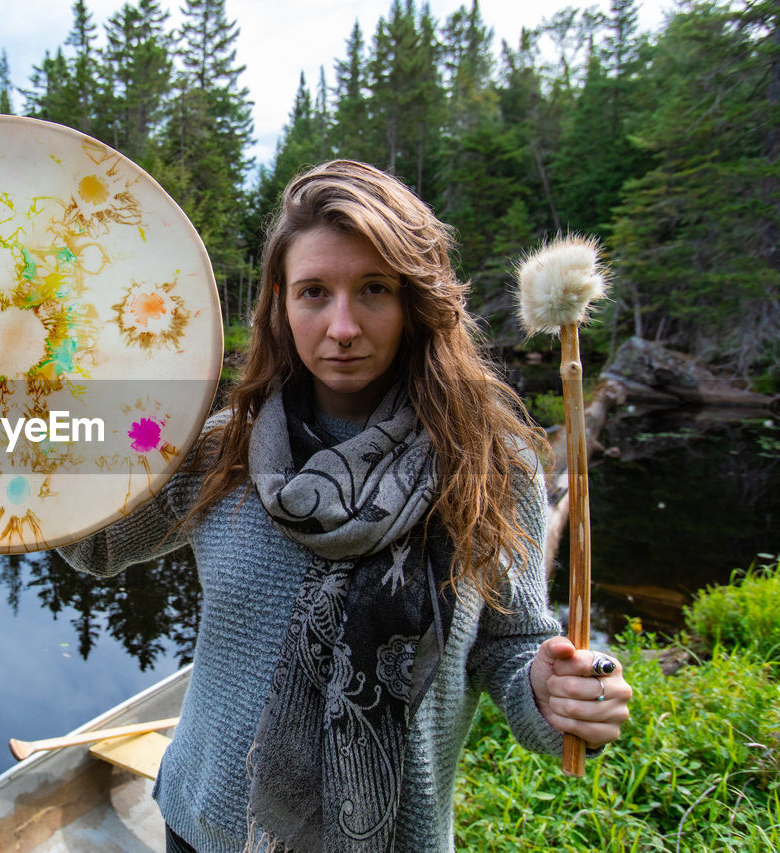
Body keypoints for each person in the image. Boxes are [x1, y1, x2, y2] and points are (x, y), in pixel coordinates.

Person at [59, 160, 632, 853]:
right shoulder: (221, 452)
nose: (342, 326)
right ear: (280, 301)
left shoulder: (488, 463)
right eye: (313, 292)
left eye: (373, 290)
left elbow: (509, 644)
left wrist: (550, 686)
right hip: (206, 829)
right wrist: (29, 427)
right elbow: (92, 542)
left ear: (415, 300)